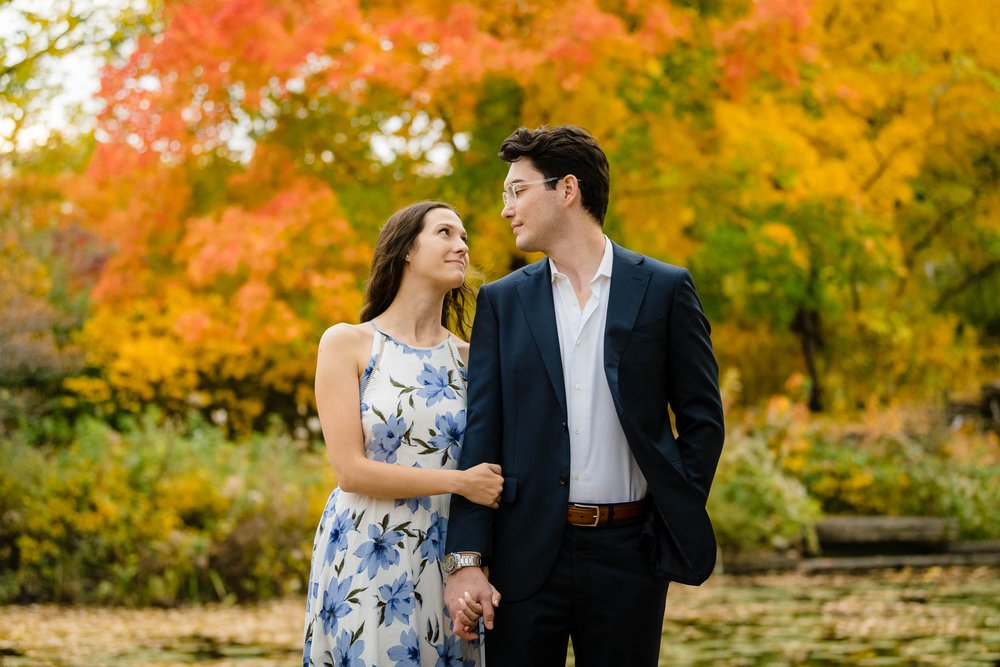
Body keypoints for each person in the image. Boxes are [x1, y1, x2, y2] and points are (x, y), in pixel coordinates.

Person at [443, 126, 725, 666]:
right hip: (523, 555)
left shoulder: (664, 289)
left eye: (517, 190)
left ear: (566, 189)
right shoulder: (502, 303)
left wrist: (669, 515)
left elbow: (702, 418)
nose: (506, 209)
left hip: (631, 553)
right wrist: (467, 558)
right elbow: (482, 431)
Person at [303, 201, 503, 667]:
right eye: (446, 233)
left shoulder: (471, 358)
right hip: (367, 548)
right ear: (407, 250)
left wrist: (477, 563)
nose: (462, 246)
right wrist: (459, 482)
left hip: (446, 555)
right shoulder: (347, 343)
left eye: (465, 237)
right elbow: (350, 472)